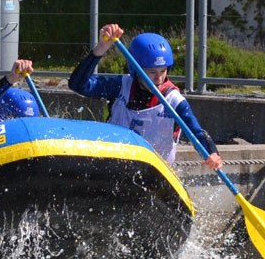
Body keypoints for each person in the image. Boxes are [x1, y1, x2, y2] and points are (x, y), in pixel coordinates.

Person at [65, 24, 223, 169]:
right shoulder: (121, 86)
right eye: (152, 72)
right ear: (136, 70)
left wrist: (212, 154)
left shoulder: (174, 101)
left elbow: (197, 133)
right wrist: (100, 49)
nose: (158, 78)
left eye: (163, 71)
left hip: (155, 174)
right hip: (113, 167)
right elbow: (78, 85)